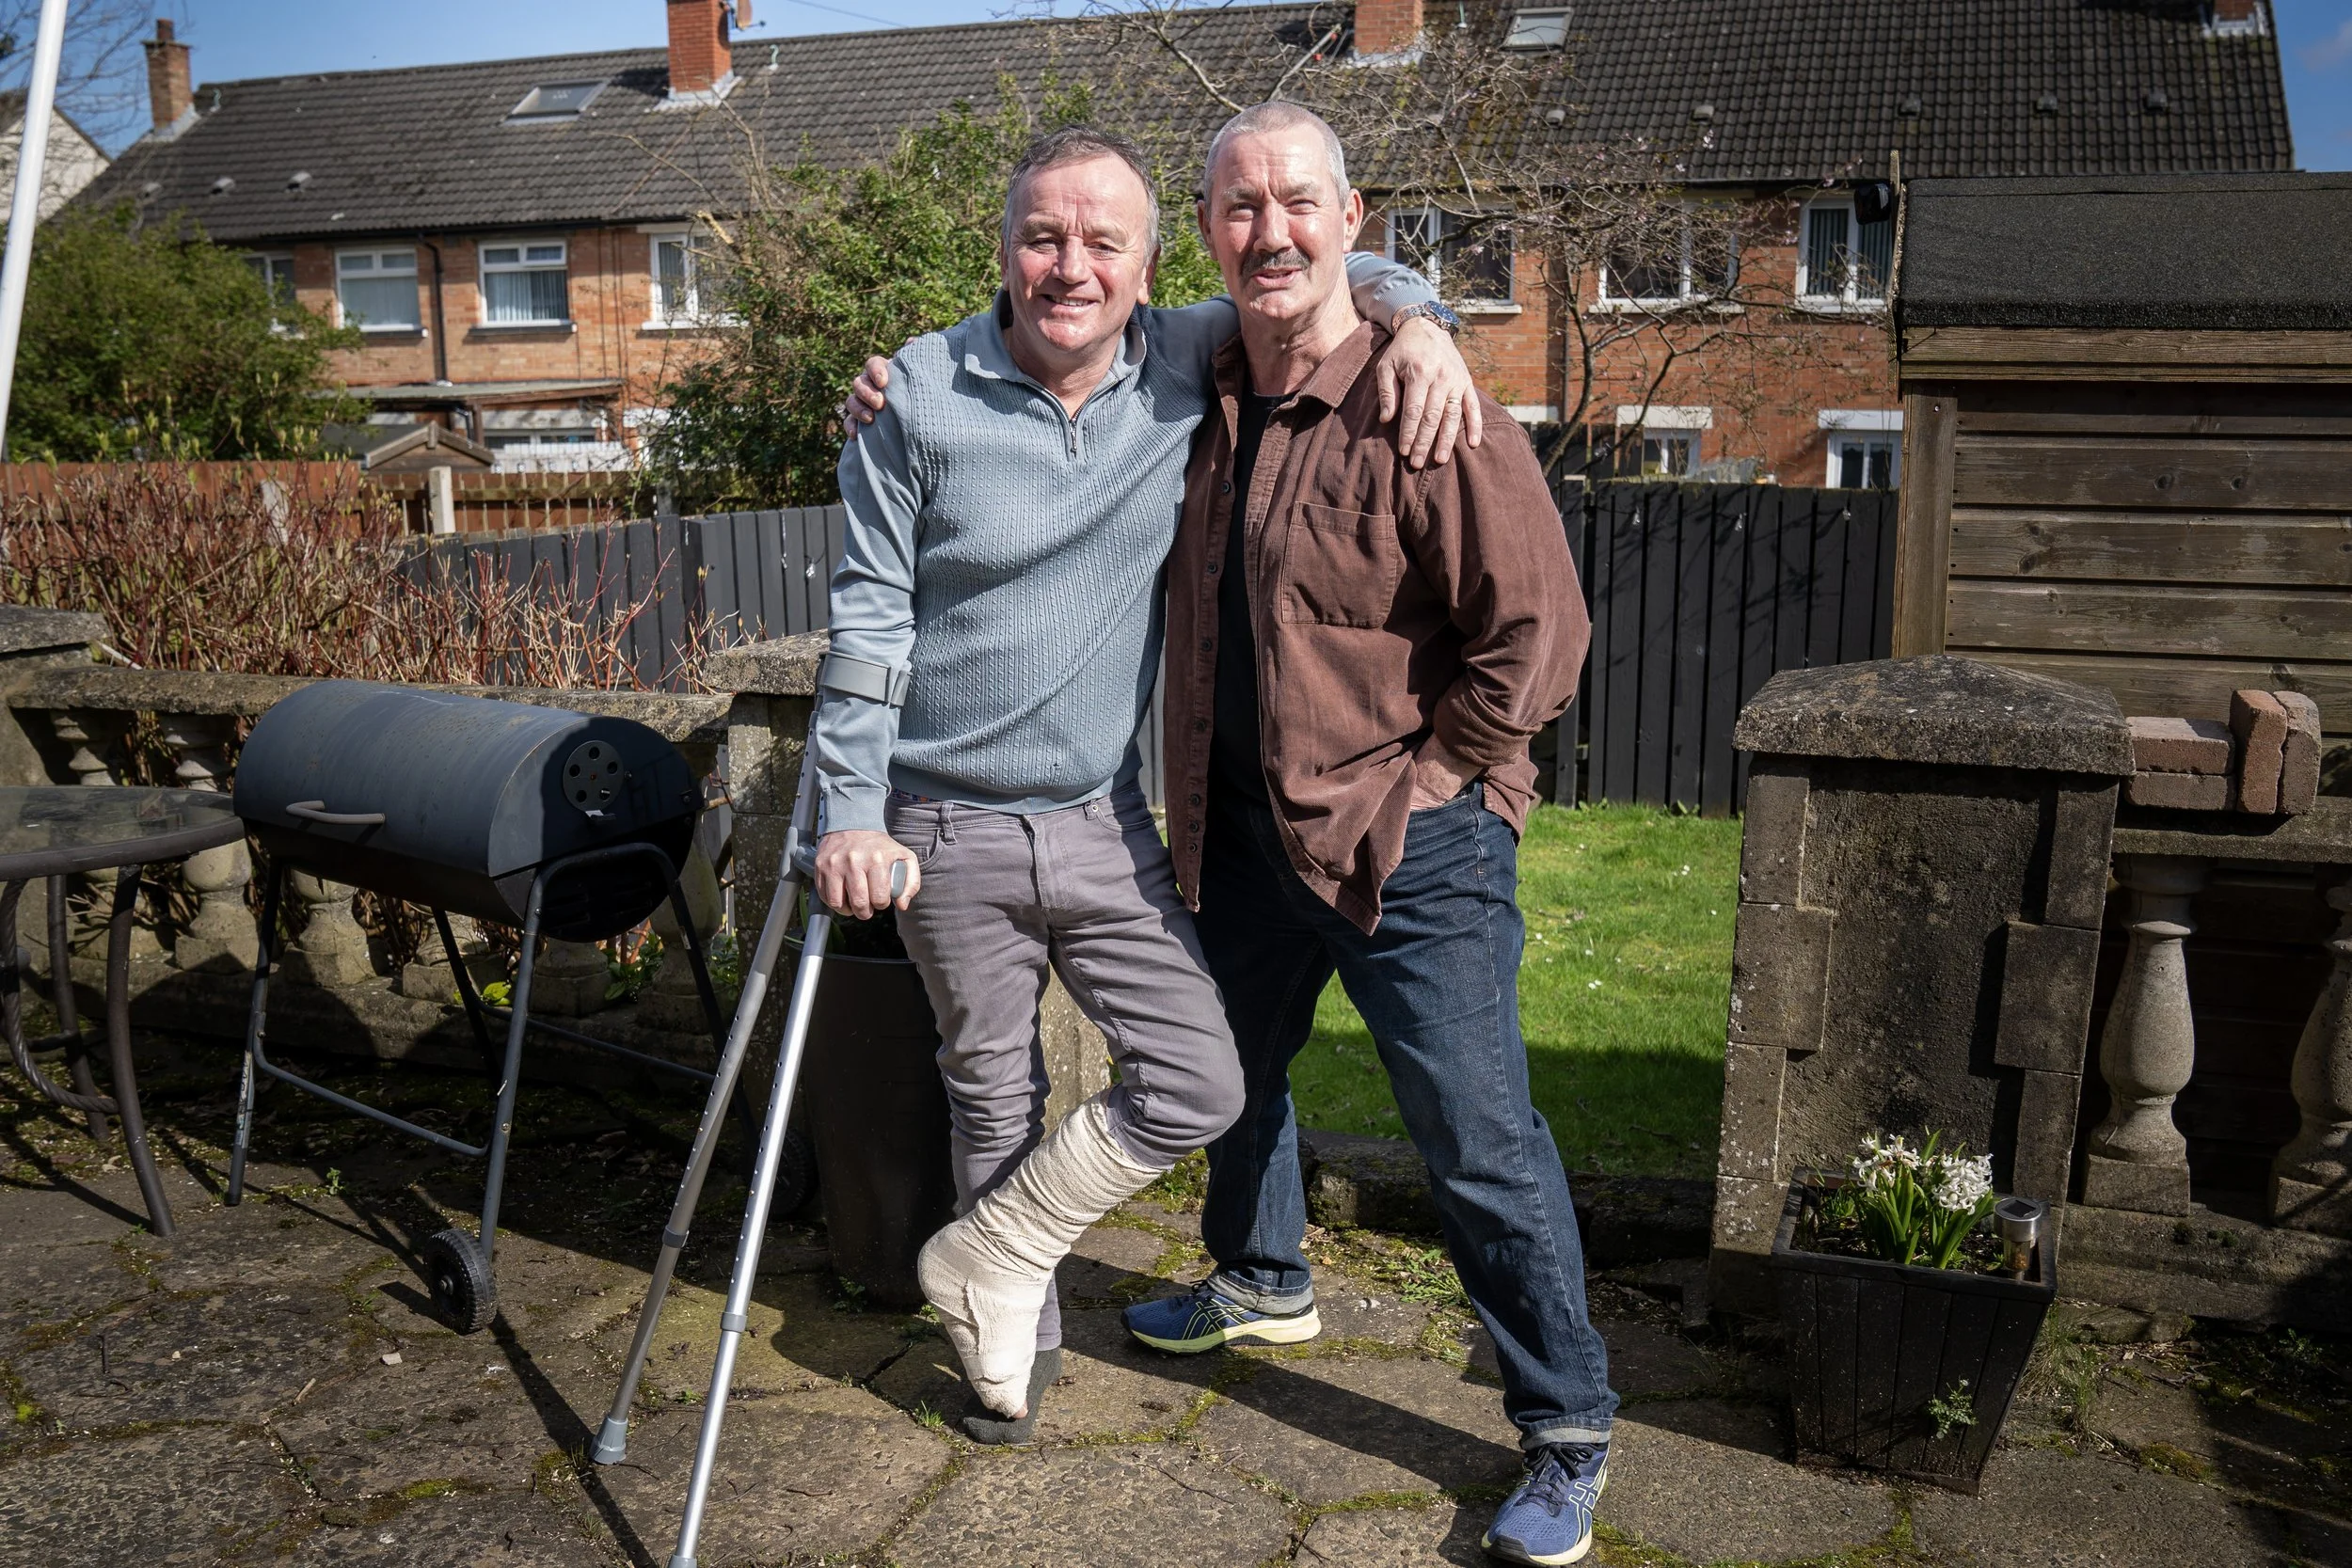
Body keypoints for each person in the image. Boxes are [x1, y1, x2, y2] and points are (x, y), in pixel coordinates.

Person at [816, 124, 1479, 1446]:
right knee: (989, 1091)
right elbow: (869, 622)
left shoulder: (1185, 358)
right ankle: (1013, 1340)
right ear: (1004, 248)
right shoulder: (917, 398)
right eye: (1043, 238)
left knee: (1201, 1077)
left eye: (1103, 242)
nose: (1071, 267)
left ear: (1149, 260)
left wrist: (1430, 322)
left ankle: (983, 1251)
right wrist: (847, 808)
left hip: (1103, 818)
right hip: (943, 828)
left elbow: (1323, 268)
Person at [1114, 103, 1617, 1567]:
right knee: (1230, 1077)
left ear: (1351, 217)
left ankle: (1568, 1425)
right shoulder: (1196, 377)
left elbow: (1542, 631)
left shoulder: (1425, 402)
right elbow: (1046, 300)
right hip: (1244, 832)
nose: (1270, 231)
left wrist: (1445, 784)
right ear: (1205, 232)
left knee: (1476, 1138)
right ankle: (1262, 1272)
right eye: (1238, 207)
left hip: (1413, 844)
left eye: (1297, 203)